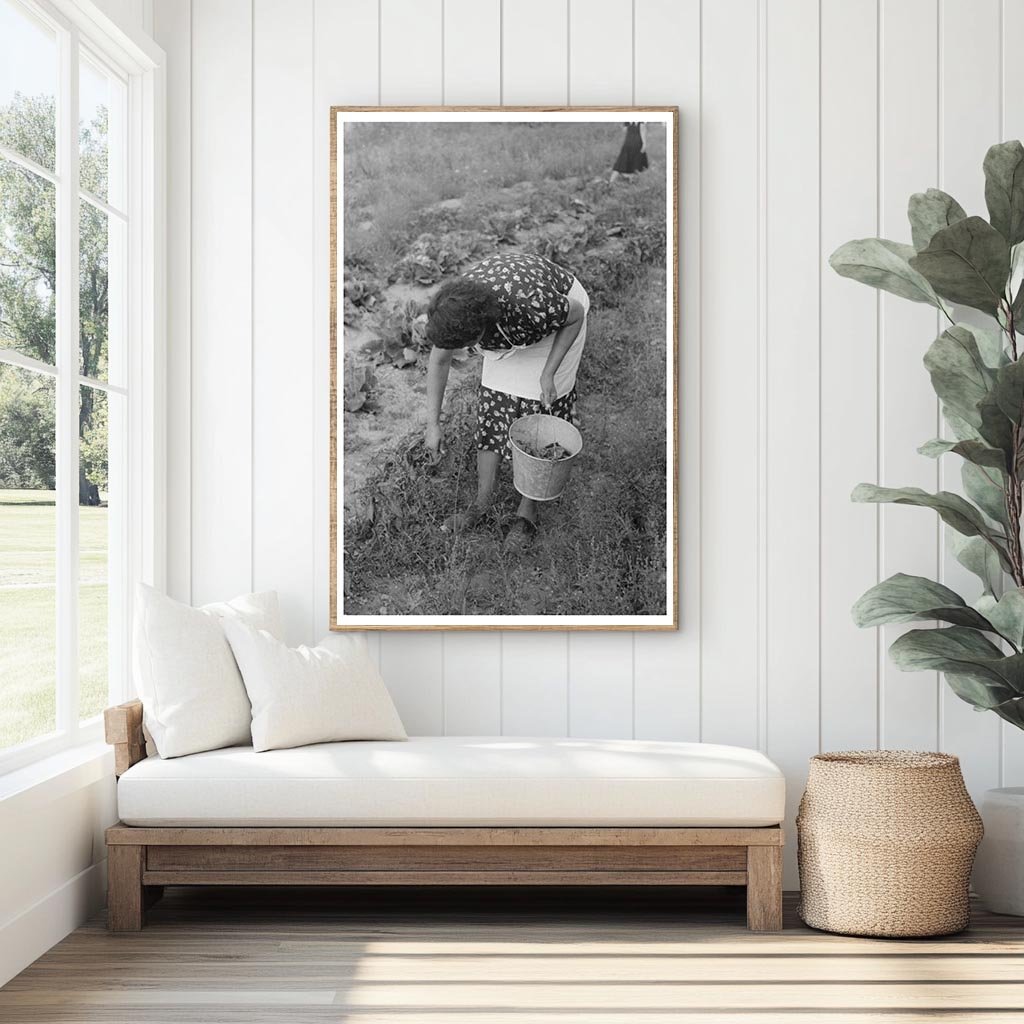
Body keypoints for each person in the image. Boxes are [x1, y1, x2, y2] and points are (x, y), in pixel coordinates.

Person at [424, 252, 590, 551]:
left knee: (540, 412)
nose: (463, 350)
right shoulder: (454, 313)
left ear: (478, 331)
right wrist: (432, 424)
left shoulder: (531, 305)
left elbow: (574, 314)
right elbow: (438, 362)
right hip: (505, 320)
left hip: (562, 319)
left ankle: (526, 513)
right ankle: (481, 503)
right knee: (494, 408)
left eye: (465, 345)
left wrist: (548, 373)